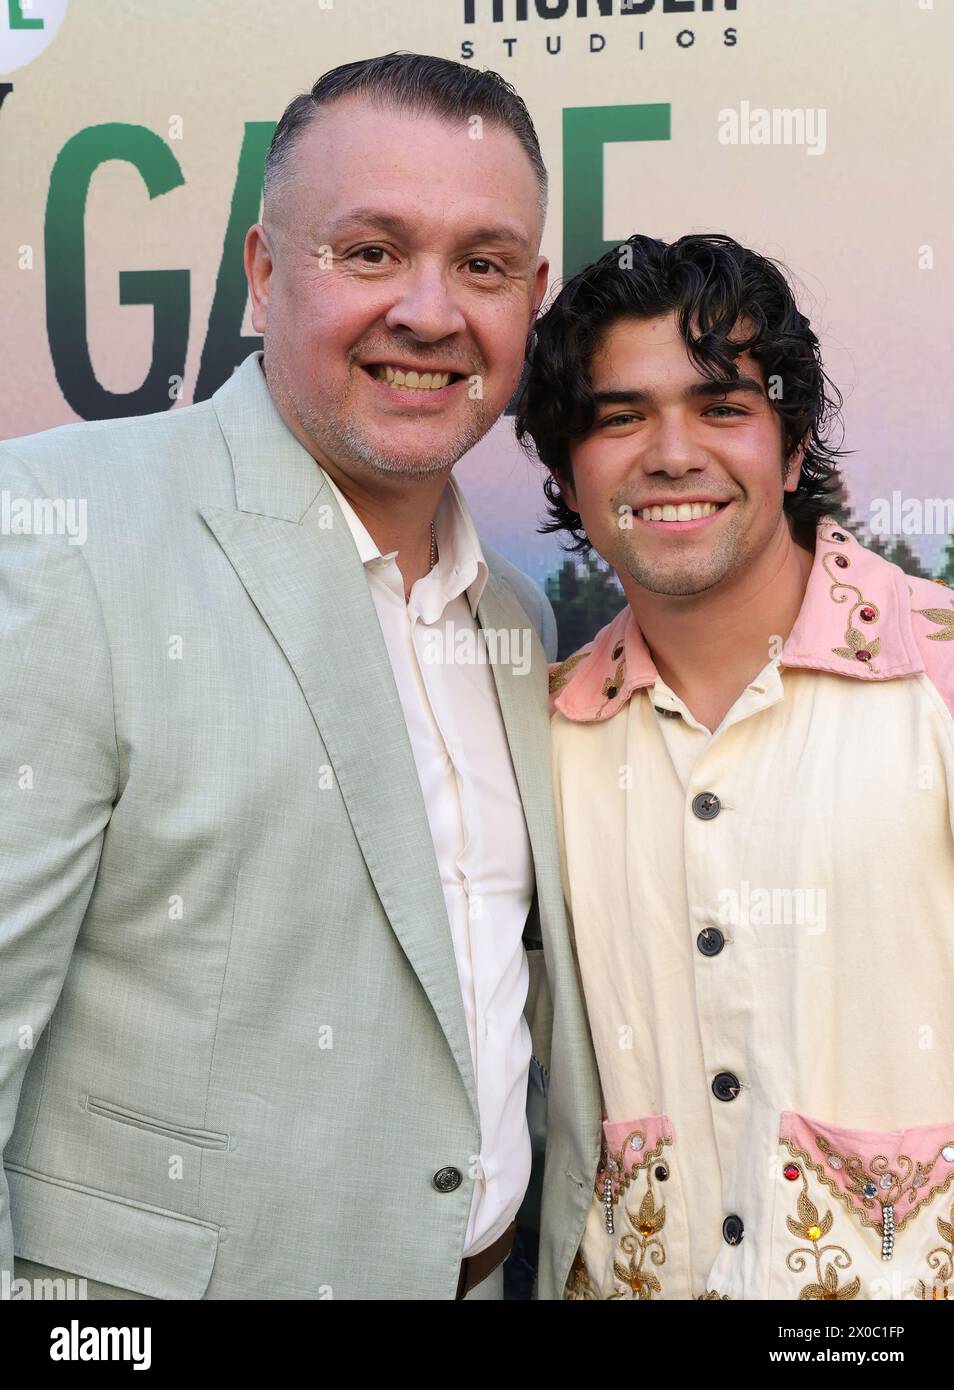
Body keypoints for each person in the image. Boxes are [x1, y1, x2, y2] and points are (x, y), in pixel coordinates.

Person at [0, 52, 600, 1301]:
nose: (432, 313)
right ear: (267, 273)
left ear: (530, 299)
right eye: (371, 252)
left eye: (482, 266)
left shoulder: (518, 619)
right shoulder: (62, 528)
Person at [517, 232, 954, 1301]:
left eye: (722, 408)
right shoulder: (538, 739)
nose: (672, 453)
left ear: (792, 449)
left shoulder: (938, 678)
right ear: (569, 468)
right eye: (620, 416)